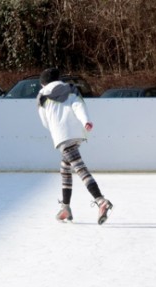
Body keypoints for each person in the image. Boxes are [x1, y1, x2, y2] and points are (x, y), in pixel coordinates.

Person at [37, 67, 112, 224]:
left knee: (80, 168)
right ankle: (66, 208)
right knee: (65, 169)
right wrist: (86, 121)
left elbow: (45, 121)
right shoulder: (71, 89)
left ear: (43, 84)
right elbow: (79, 106)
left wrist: (54, 127)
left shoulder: (42, 96)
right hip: (77, 134)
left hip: (61, 137)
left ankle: (100, 200)